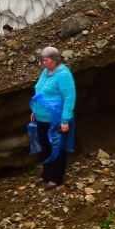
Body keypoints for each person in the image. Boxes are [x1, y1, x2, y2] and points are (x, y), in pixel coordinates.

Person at [30, 46, 76, 187]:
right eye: (43, 60)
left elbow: (69, 97)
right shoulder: (45, 72)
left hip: (56, 119)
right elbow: (39, 92)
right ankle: (46, 175)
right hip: (41, 118)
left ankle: (56, 178)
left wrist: (65, 120)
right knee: (45, 146)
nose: (44, 63)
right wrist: (34, 111)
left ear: (55, 60)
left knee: (57, 148)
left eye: (47, 60)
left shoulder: (63, 74)